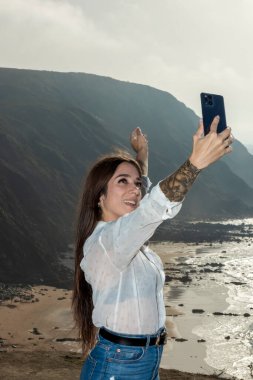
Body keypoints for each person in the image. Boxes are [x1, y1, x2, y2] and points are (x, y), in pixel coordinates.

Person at [72, 117, 233, 380]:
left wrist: (142, 155)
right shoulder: (107, 243)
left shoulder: (128, 239)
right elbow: (151, 209)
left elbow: (144, 200)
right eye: (122, 181)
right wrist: (195, 164)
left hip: (144, 362)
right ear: (99, 197)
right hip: (118, 366)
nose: (135, 190)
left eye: (136, 183)